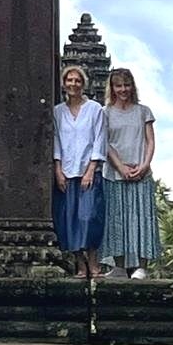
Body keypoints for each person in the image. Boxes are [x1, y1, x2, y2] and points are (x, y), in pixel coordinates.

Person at [100, 67, 161, 280]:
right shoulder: (105, 112)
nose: (123, 89)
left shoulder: (143, 111)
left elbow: (150, 141)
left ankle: (141, 266)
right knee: (116, 218)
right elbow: (104, 143)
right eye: (118, 86)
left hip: (140, 171)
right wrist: (120, 167)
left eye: (127, 85)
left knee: (141, 217)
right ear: (112, 88)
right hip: (115, 172)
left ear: (132, 86)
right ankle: (118, 266)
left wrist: (144, 165)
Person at [52, 65, 106, 278]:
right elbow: (55, 140)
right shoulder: (58, 111)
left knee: (89, 216)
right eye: (69, 80)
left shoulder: (95, 109)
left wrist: (91, 169)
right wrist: (58, 169)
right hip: (66, 170)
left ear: (83, 84)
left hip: (88, 170)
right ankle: (80, 263)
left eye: (77, 81)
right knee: (68, 218)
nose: (73, 84)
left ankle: (93, 261)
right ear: (64, 84)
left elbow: (99, 139)